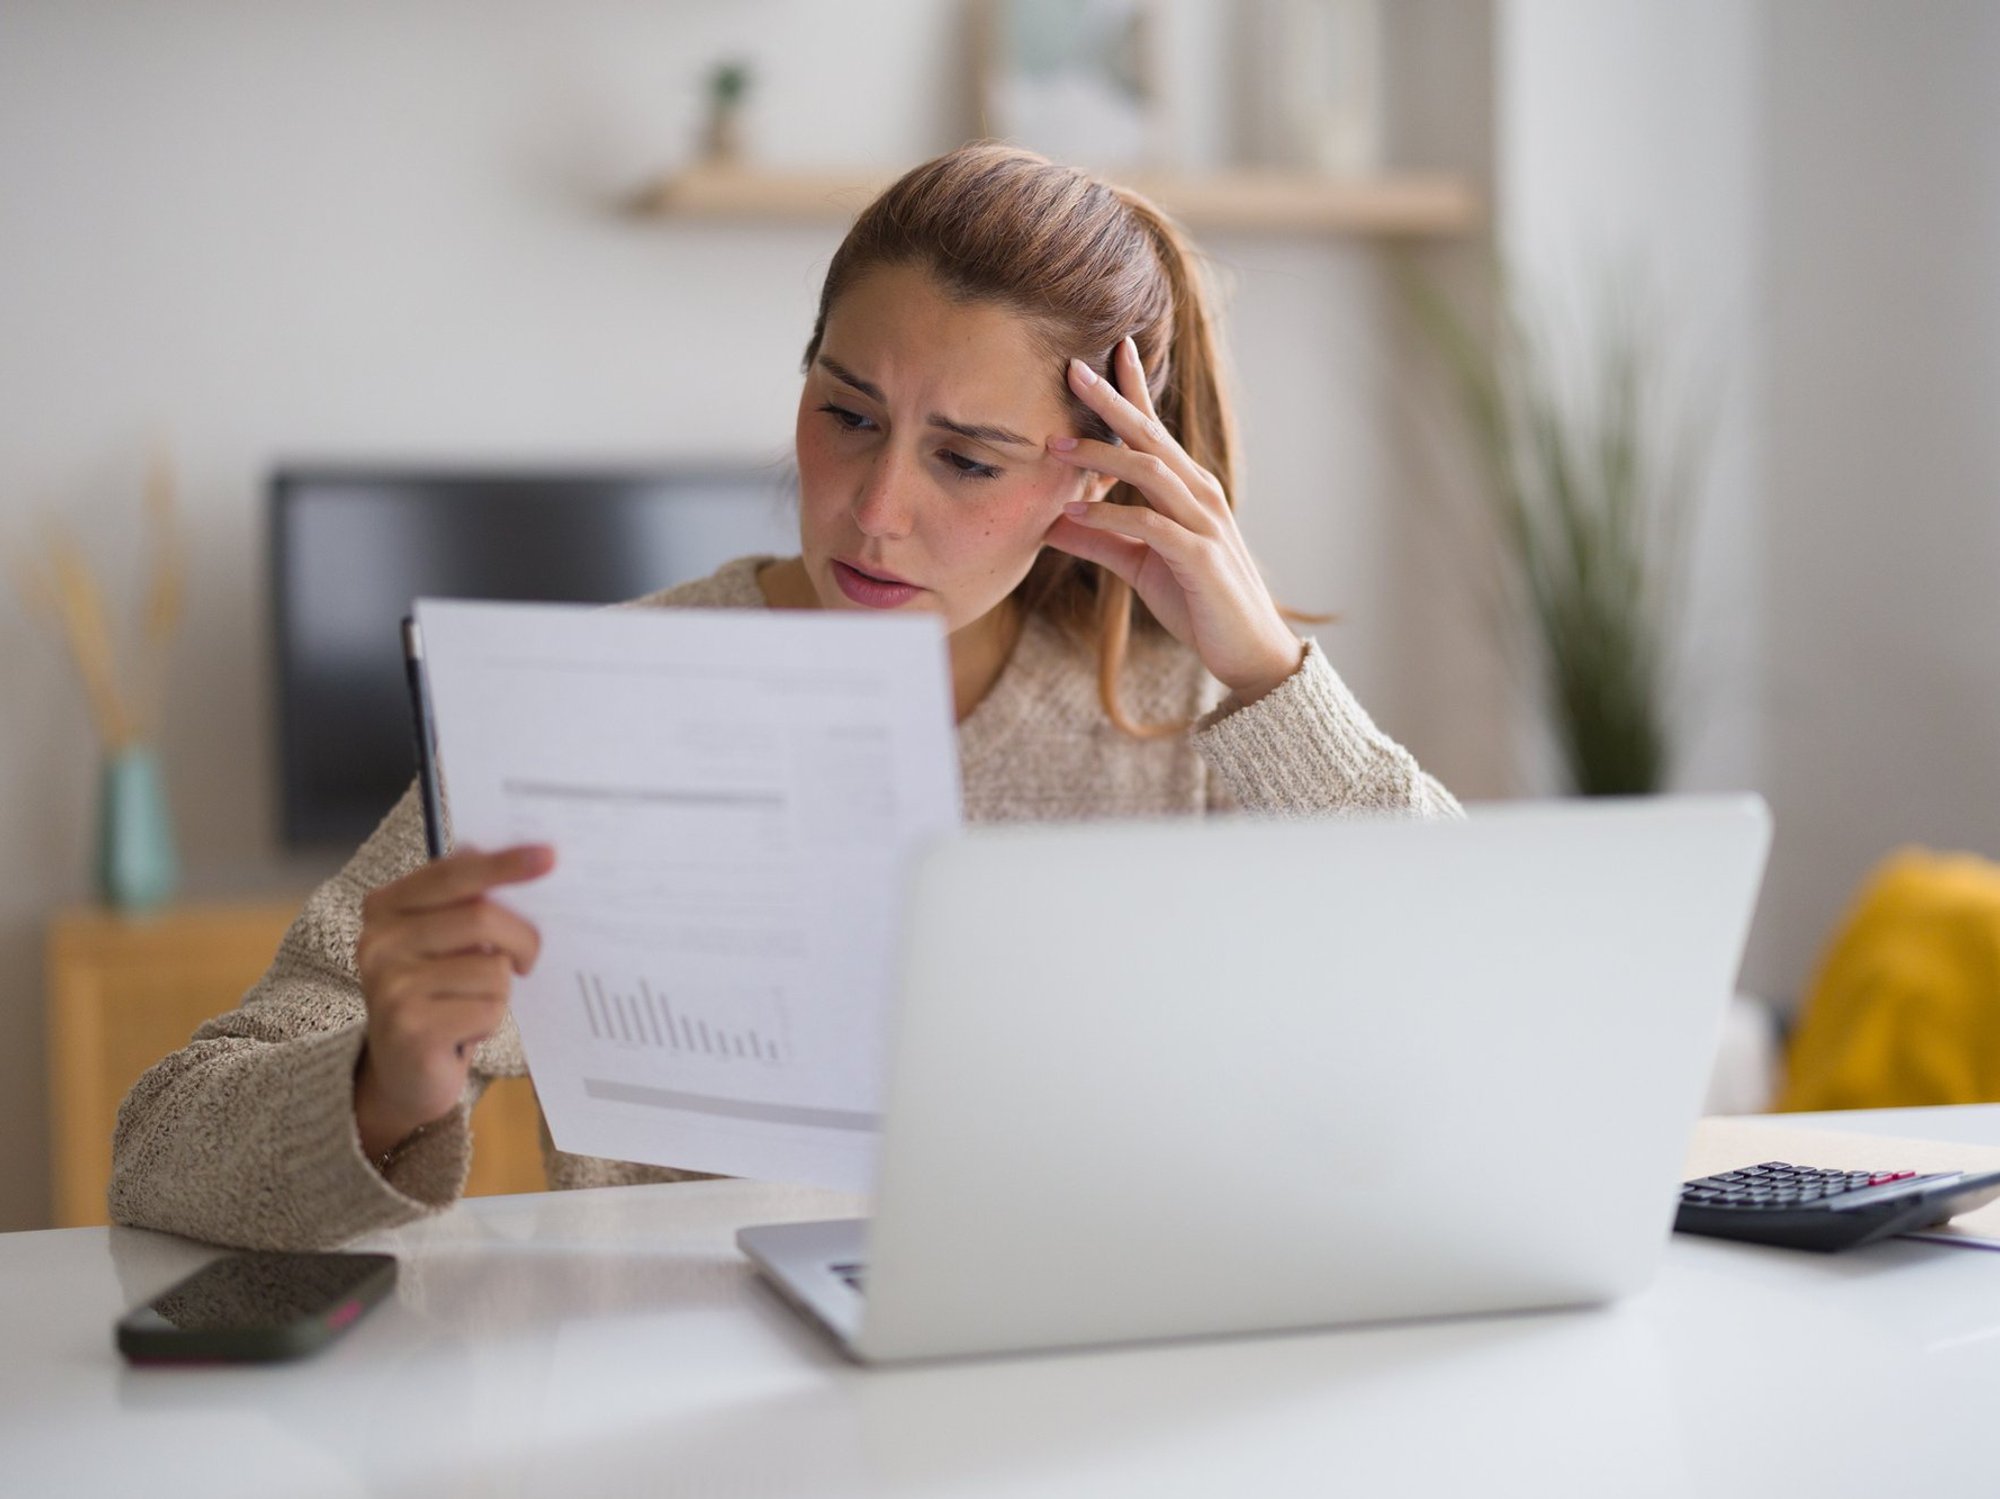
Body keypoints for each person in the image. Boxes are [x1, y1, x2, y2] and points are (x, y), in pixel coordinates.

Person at [110, 144, 1462, 1250]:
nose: (877, 514)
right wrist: (381, 1085)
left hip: (1099, 1387)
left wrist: (1266, 676)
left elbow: (1477, 1011)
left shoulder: (1200, 726)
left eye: (971, 459)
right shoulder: (601, 707)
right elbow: (163, 1150)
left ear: (1097, 475)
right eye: (849, 414)